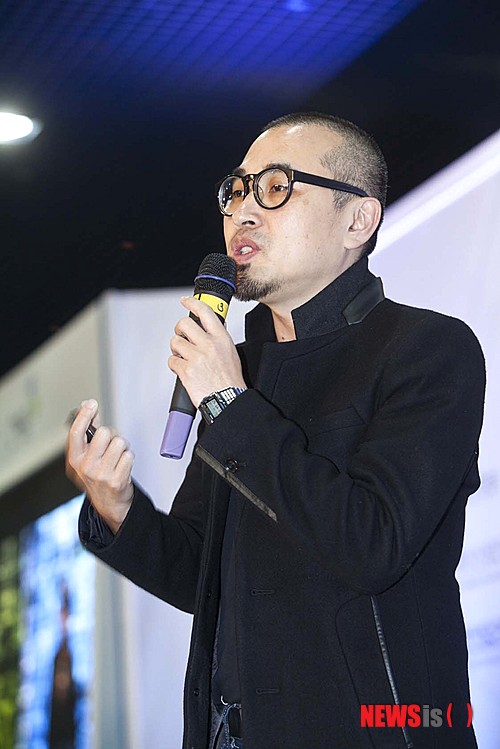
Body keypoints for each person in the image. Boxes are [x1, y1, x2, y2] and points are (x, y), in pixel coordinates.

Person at [66, 112, 486, 749]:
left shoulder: (426, 349)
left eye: (276, 187)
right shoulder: (242, 372)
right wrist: (116, 507)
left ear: (358, 221)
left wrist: (228, 400)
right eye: (236, 190)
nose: (243, 211)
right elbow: (201, 576)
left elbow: (373, 544)